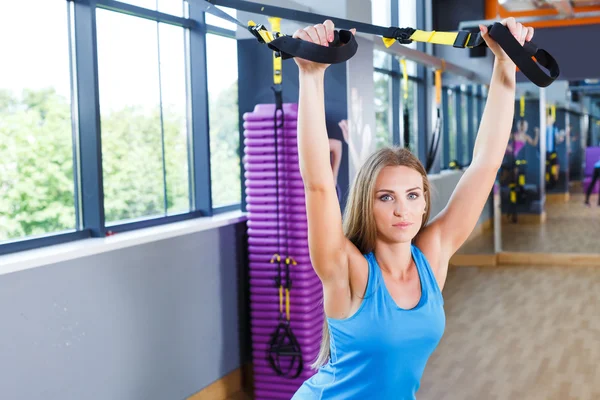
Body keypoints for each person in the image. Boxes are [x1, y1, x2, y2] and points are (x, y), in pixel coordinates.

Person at [290, 18, 533, 399]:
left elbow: (485, 163)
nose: (402, 208)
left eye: (413, 195)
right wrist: (311, 74)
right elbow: (318, 184)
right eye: (386, 197)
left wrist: (505, 64)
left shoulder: (432, 256)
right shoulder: (346, 269)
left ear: (424, 204)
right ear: (366, 206)